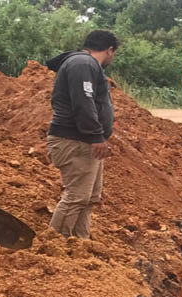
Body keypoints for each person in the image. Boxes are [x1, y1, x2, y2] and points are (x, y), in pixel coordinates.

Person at [45, 30, 119, 239]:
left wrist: (99, 137)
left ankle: (80, 246)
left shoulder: (86, 65)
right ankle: (54, 247)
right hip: (75, 140)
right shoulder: (82, 64)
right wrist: (96, 136)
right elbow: (83, 103)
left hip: (85, 141)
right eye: (113, 54)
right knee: (77, 196)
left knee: (89, 198)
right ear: (109, 50)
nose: (112, 58)